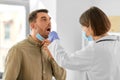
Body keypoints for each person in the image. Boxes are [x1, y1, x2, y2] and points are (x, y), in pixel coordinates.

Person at [44, 6, 120, 80]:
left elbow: (65, 61)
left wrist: (55, 41)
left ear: (90, 26)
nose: (83, 30)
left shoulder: (94, 50)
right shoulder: (117, 43)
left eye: (83, 26)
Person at [3, 9, 66, 80]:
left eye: (49, 20)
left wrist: (52, 56)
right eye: (44, 19)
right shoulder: (17, 50)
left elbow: (62, 77)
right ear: (33, 26)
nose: (49, 23)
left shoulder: (50, 49)